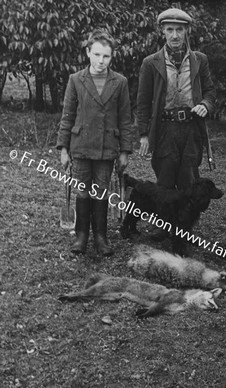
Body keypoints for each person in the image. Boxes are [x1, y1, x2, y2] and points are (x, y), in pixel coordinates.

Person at [57, 29, 132, 256]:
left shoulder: (119, 82)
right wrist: (63, 148)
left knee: (100, 191)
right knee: (82, 191)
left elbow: (125, 119)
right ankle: (81, 236)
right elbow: (68, 115)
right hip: (80, 147)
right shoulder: (76, 80)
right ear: (88, 52)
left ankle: (101, 237)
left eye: (106, 56)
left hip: (106, 149)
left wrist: (125, 151)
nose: (101, 61)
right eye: (97, 54)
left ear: (112, 57)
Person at [137, 8, 216, 190]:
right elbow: (142, 103)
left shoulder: (199, 60)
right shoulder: (150, 63)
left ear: (186, 30)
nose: (174, 35)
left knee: (189, 185)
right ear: (162, 31)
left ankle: (188, 220)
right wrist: (144, 134)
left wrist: (205, 105)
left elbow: (210, 92)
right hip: (165, 130)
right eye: (170, 29)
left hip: (191, 129)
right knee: (164, 184)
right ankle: (165, 219)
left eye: (179, 30)